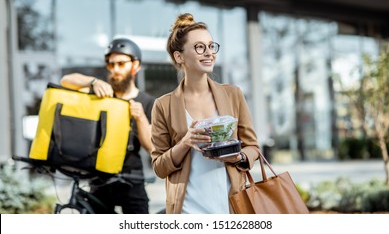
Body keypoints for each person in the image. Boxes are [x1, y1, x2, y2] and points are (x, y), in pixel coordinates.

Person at [150, 13, 260, 214]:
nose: (209, 52)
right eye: (199, 47)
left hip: (232, 207)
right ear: (179, 56)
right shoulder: (163, 105)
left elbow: (253, 147)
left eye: (211, 46)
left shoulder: (233, 94)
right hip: (187, 210)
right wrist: (185, 143)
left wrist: (237, 157)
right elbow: (159, 167)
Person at [60, 38, 155, 214]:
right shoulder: (101, 93)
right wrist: (92, 82)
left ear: (136, 66)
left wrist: (141, 117)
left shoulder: (148, 102)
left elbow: (152, 148)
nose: (115, 70)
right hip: (99, 180)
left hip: (131, 179)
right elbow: (66, 80)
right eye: (111, 65)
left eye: (121, 64)